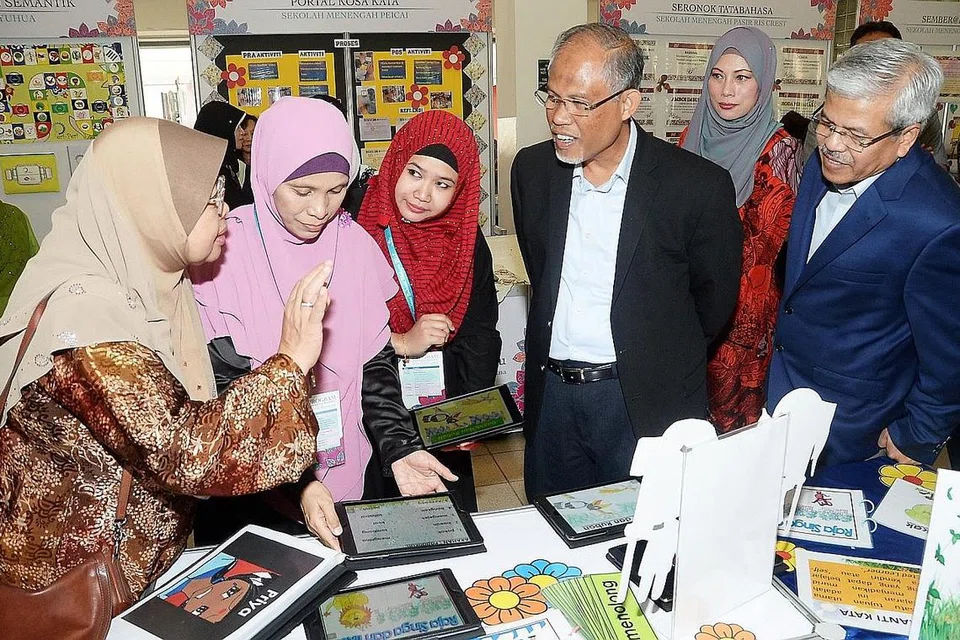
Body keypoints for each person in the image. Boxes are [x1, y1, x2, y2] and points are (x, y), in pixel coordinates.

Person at [0, 117, 331, 596]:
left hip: (128, 575)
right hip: (72, 596)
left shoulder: (154, 288)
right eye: (208, 201)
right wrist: (292, 359)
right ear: (150, 207)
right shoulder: (86, 321)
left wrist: (298, 486)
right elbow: (187, 451)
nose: (224, 214)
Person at [192, 97, 454, 547]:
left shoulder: (352, 244)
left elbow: (374, 368)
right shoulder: (222, 250)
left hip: (348, 467)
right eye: (303, 191)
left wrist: (398, 448)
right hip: (250, 488)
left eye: (336, 191)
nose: (320, 209)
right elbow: (224, 393)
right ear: (267, 174)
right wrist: (297, 481)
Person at [511, 23, 742, 497]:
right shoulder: (533, 172)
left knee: (642, 548)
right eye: (551, 97)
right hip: (553, 399)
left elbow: (712, 306)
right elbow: (543, 271)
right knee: (554, 548)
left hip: (643, 399)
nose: (559, 117)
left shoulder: (695, 187)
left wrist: (652, 350)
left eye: (579, 103)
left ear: (627, 104)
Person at [767, 39, 960, 468]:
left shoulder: (939, 223)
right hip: (781, 396)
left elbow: (949, 356)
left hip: (855, 431)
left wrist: (919, 433)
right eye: (827, 123)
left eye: (855, 135)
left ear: (907, 137)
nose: (833, 143)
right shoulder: (824, 167)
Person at [357, 110, 501, 512]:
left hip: (441, 408)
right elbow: (337, 329)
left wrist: (469, 418)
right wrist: (403, 342)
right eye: (415, 173)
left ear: (462, 190)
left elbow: (480, 333)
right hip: (373, 407)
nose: (423, 194)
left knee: (445, 519)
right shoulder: (357, 226)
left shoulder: (466, 242)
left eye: (443, 184)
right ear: (396, 162)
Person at [679, 27, 801, 432]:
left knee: (732, 439)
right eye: (717, 75)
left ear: (763, 83)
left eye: (742, 77)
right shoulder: (690, 136)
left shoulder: (779, 149)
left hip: (741, 319)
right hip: (685, 309)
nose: (726, 90)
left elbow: (763, 249)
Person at [789, 21, 949, 169]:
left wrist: (914, 163)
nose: (832, 144)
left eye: (857, 135)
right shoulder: (823, 118)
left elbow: (940, 169)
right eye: (865, 58)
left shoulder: (923, 116)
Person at [194, 101, 253, 209]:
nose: (242, 132)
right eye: (237, 127)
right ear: (222, 128)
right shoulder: (210, 172)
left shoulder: (230, 165)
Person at [0, 200, 39, 315]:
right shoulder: (16, 215)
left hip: (18, 310)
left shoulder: (15, 216)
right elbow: (37, 265)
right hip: (20, 312)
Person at [238, 113, 257, 203]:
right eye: (245, 134)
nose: (249, 138)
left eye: (253, 133)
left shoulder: (266, 164)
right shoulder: (235, 168)